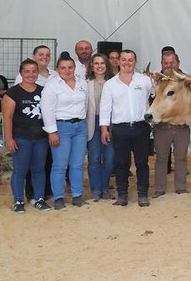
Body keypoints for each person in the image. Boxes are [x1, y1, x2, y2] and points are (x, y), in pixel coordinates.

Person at [100, 49, 154, 207]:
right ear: (118, 62)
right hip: (120, 129)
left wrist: (156, 80)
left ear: (135, 62)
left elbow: (157, 93)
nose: (127, 63)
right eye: (123, 59)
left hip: (141, 127)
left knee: (142, 163)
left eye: (130, 60)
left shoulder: (145, 81)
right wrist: (104, 129)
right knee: (121, 163)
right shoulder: (110, 84)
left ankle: (142, 195)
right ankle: (122, 195)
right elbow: (105, 108)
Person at [41, 54, 89, 209]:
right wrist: (52, 131)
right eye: (63, 68)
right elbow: (47, 109)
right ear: (57, 69)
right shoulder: (52, 85)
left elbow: (86, 104)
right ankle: (59, 198)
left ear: (74, 68)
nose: (67, 71)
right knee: (60, 165)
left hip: (80, 126)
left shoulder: (82, 83)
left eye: (70, 67)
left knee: (77, 164)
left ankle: (77, 195)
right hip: (61, 127)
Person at [2, 59, 50, 212]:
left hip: (40, 137)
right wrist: (9, 139)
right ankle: (18, 201)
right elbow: (7, 118)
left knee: (39, 169)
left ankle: (39, 198)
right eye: (27, 71)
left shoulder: (44, 91)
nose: (31, 74)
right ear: (21, 73)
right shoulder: (12, 93)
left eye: (34, 71)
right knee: (20, 170)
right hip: (21, 138)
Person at [152, 51, 190, 197]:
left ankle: (180, 187)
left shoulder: (186, 80)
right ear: (161, 64)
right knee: (161, 158)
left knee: (181, 157)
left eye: (171, 63)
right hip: (162, 126)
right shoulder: (156, 80)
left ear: (178, 63)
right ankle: (159, 189)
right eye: (166, 63)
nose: (169, 65)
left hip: (181, 127)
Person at [85, 53, 116, 202]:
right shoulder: (85, 84)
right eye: (96, 63)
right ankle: (96, 190)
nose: (99, 66)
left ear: (106, 65)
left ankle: (105, 189)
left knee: (109, 159)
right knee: (94, 158)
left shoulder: (114, 83)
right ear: (91, 66)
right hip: (92, 122)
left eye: (102, 63)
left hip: (110, 123)